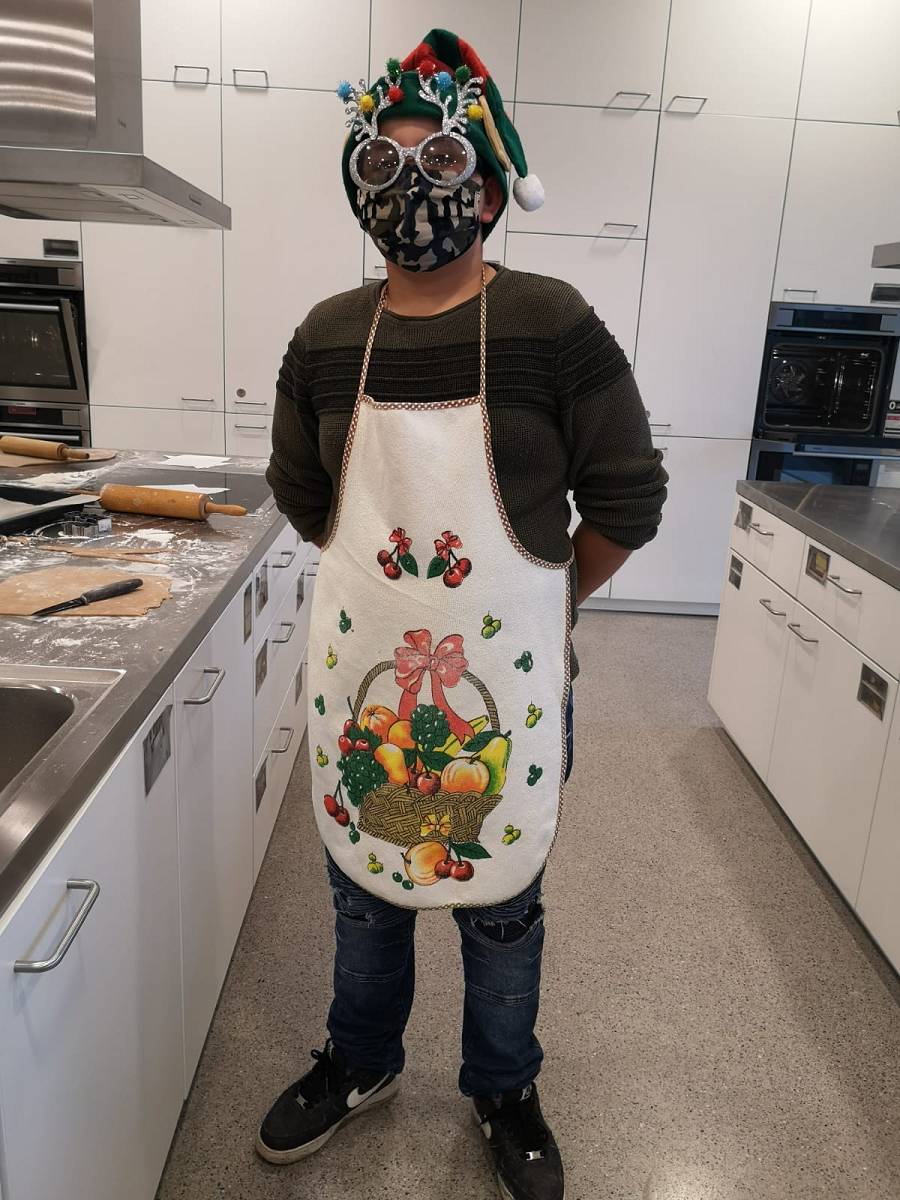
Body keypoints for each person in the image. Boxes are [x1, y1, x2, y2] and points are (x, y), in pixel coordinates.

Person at [261, 28, 667, 1200]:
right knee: (365, 892)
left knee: (498, 902)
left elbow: (629, 498)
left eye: (437, 164)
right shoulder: (326, 336)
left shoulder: (553, 322)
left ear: (486, 186)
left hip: (507, 683)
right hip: (365, 683)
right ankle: (360, 1059)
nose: (412, 192)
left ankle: (503, 1086)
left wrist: (545, 602)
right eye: (383, 168)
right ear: (358, 189)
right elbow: (303, 492)